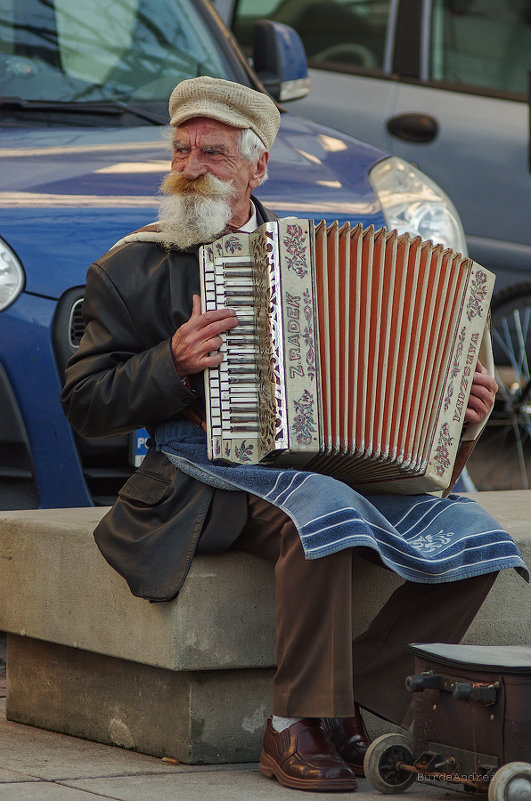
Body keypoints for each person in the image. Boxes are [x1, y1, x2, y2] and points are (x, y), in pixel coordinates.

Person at [61, 76, 528, 793]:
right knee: (322, 507)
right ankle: (293, 726)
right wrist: (171, 362)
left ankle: (348, 698)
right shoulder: (128, 267)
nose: (189, 166)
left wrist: (454, 406)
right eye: (181, 149)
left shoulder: (309, 258)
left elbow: (390, 382)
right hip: (198, 472)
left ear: (258, 167)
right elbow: (87, 403)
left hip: (326, 466)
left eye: (213, 153)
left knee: (474, 539)